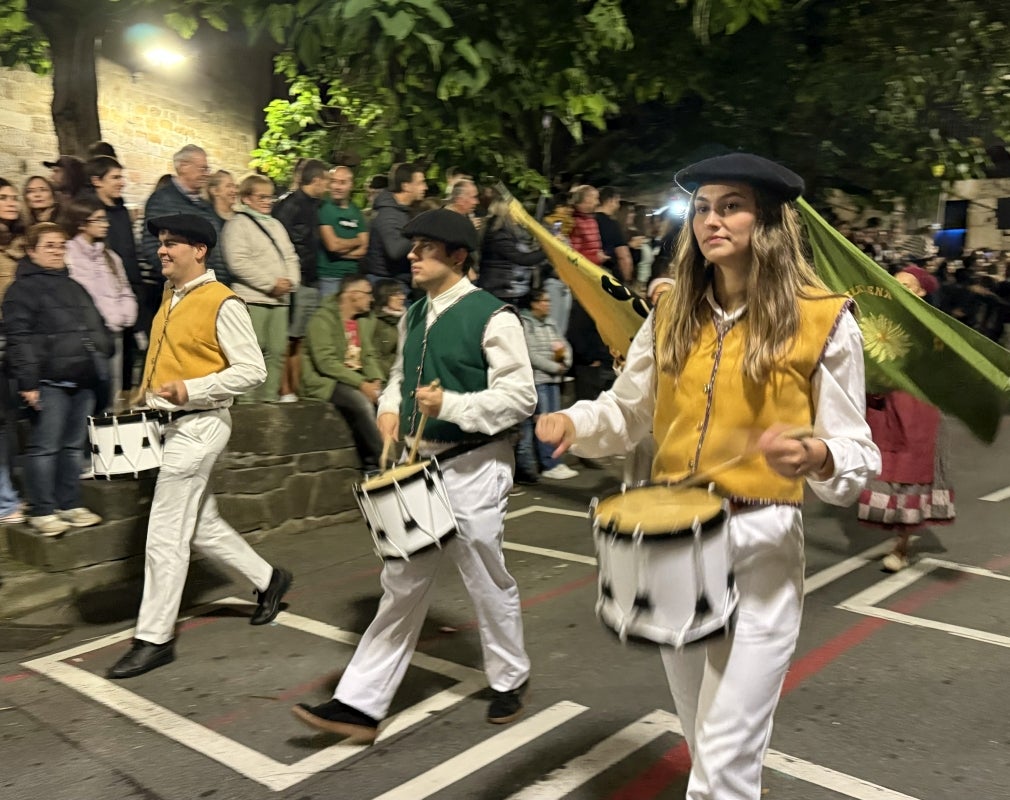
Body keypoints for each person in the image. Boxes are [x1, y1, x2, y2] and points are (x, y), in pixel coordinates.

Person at [535, 153, 880, 800]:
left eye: (731, 205)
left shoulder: (825, 318)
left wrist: (818, 457)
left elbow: (856, 450)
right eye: (702, 207)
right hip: (673, 544)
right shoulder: (670, 314)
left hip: (762, 545)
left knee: (720, 762)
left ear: (770, 220)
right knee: (707, 739)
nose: (711, 220)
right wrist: (574, 425)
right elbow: (628, 410)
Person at [292, 209, 536, 741]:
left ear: (457, 257)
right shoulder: (414, 314)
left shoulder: (495, 317)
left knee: (485, 577)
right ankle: (359, 704)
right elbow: (405, 372)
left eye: (424, 247)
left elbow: (520, 399)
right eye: (413, 246)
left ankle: (509, 677)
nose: (411, 255)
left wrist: (453, 403)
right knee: (401, 584)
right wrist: (389, 405)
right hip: (418, 464)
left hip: (475, 465)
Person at [107, 214, 292, 679]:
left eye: (172, 244)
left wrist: (191, 390)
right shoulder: (172, 295)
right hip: (168, 424)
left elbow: (252, 370)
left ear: (200, 250)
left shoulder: (222, 301)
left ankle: (154, 638)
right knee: (201, 525)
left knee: (165, 533)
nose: (162, 251)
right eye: (161, 244)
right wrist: (141, 395)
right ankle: (270, 580)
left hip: (200, 425)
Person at [3, 223, 110, 537]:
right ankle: (42, 509)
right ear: (32, 250)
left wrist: (104, 349)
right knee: (45, 448)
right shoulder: (20, 290)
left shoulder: (73, 286)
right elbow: (19, 338)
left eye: (60, 245)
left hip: (81, 379)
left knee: (72, 447)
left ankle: (69, 503)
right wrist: (28, 381)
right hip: (48, 382)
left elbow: (95, 324)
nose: (56, 251)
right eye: (48, 245)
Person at [858, 266, 954, 572]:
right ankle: (901, 534)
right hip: (883, 405)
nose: (898, 288)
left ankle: (901, 546)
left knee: (911, 475)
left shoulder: (933, 326)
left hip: (916, 409)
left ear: (922, 291)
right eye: (895, 283)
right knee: (885, 471)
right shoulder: (880, 319)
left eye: (907, 285)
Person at [221, 174, 300, 403]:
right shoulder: (237, 225)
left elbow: (290, 255)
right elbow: (238, 261)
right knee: (252, 354)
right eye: (261, 197)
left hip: (279, 300)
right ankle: (248, 406)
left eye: (270, 197)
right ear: (246, 198)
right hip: (254, 299)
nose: (268, 201)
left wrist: (290, 282)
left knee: (277, 352)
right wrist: (270, 284)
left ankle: (269, 402)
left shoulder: (275, 225)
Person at [299, 274, 385, 471]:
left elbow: (369, 354)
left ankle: (373, 465)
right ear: (352, 295)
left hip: (355, 378)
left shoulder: (363, 320)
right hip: (326, 381)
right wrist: (362, 385)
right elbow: (326, 363)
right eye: (367, 293)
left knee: (387, 398)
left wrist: (376, 380)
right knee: (360, 402)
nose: (371, 299)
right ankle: (383, 460)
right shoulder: (322, 319)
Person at [62, 196, 138, 411]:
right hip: (84, 335)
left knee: (111, 395)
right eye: (98, 220)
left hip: (113, 333)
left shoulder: (111, 257)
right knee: (87, 398)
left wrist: (124, 315)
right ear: (81, 223)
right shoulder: (68, 255)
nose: (105, 224)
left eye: (105, 219)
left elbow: (124, 290)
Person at [85, 156, 145, 400]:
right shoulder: (88, 212)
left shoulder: (120, 210)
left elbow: (128, 253)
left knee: (129, 364)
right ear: (96, 181)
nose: (122, 182)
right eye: (115, 177)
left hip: (128, 294)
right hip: (104, 308)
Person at [273, 159, 330, 401]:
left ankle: (297, 387)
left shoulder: (317, 206)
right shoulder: (291, 206)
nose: (328, 185)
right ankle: (285, 389)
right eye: (326, 180)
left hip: (311, 278)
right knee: (290, 337)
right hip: (299, 279)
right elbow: (284, 243)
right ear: (316, 181)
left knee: (301, 338)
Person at [140, 144, 230, 287]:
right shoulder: (162, 200)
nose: (207, 174)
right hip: (185, 289)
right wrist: (182, 280)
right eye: (202, 168)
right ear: (183, 167)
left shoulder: (205, 204)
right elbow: (152, 246)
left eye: (207, 169)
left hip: (212, 286)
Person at [518, 289, 576, 481]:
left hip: (553, 379)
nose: (548, 304)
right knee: (544, 422)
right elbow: (530, 354)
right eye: (543, 301)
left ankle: (556, 461)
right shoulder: (526, 324)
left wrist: (565, 362)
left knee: (555, 421)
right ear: (533, 304)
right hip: (539, 380)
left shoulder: (551, 323)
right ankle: (548, 463)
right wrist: (554, 367)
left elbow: (564, 344)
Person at [0, 179, 26, 524]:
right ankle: (5, 500)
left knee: (9, 422)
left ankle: (9, 495)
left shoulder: (21, 245)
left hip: (16, 338)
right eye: (2, 197)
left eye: (11, 196)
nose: (11, 202)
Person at [362, 162, 426, 284]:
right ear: (406, 186)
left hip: (396, 282)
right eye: (420, 183)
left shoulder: (402, 211)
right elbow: (395, 250)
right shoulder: (388, 214)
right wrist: (420, 235)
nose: (425, 187)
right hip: (386, 285)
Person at [318, 166, 369, 297]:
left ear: (350, 185)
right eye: (333, 182)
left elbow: (364, 249)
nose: (337, 187)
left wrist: (338, 252)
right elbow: (333, 245)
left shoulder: (356, 211)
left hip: (353, 279)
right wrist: (356, 241)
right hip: (330, 278)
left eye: (342, 183)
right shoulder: (324, 208)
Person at [371, 278, 407, 380]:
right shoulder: (376, 322)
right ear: (384, 296)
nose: (402, 297)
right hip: (386, 378)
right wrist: (395, 375)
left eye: (402, 293)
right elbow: (375, 358)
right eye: (396, 294)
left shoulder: (406, 319)